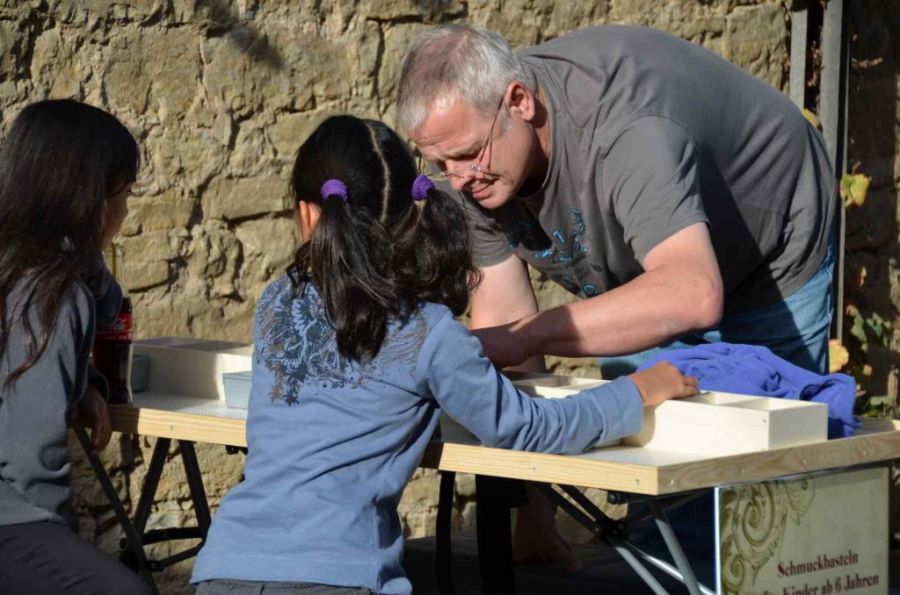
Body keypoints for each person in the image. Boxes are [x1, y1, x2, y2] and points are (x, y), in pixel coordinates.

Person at [190, 115, 698, 595]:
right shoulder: (427, 331)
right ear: (411, 213)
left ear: (308, 216)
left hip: (224, 565)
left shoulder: (277, 302)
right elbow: (527, 429)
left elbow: (344, 388)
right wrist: (634, 393)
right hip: (338, 577)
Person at [397, 23, 836, 565]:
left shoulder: (627, 131)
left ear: (519, 102)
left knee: (774, 483)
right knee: (660, 489)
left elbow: (691, 293)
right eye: (440, 164)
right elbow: (506, 348)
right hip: (647, 263)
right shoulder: (472, 158)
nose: (459, 180)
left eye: (468, 155)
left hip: (769, 242)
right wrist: (535, 517)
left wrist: (532, 334)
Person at [0, 99, 151, 595]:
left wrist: (79, 382)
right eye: (124, 194)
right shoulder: (51, 293)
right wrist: (61, 550)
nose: (125, 211)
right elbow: (31, 461)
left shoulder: (17, 268)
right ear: (91, 199)